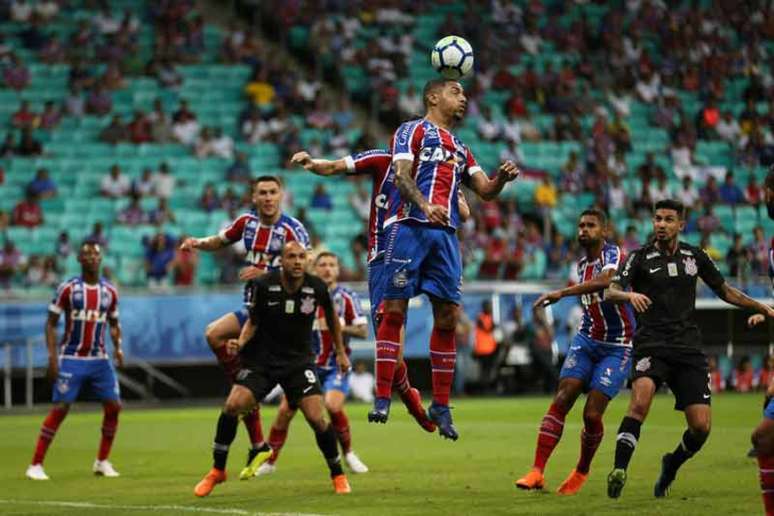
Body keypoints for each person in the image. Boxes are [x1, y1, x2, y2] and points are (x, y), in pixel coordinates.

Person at [368, 78, 519, 440]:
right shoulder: (411, 131)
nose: (463, 98)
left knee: (449, 317)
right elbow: (401, 175)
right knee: (394, 310)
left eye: (465, 94)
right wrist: (424, 204)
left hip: (447, 237)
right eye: (456, 92)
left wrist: (500, 179)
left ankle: (441, 404)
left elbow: (484, 191)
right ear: (433, 97)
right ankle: (382, 396)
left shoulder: (462, 148)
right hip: (409, 228)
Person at [604, 199, 774, 499]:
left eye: (669, 219)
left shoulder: (695, 256)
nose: (661, 224)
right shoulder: (639, 257)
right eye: (657, 218)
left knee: (701, 427)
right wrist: (629, 297)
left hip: (687, 348)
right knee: (640, 402)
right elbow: (611, 290)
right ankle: (619, 469)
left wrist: (758, 304)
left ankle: (672, 463)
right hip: (651, 345)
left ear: (681, 225)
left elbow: (725, 290)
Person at [290, 148, 441, 432]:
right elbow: (334, 165)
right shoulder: (382, 160)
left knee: (404, 335)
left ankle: (394, 401)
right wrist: (312, 163)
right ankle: (413, 402)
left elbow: (462, 205)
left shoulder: (434, 171)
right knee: (392, 355)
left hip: (415, 254)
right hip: (380, 259)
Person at [193, 242, 352, 496]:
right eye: (291, 257)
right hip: (262, 362)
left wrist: (341, 353)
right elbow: (253, 321)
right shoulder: (264, 285)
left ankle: (338, 474)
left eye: (301, 257)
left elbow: (332, 319)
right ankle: (217, 471)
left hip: (299, 362)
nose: (298, 261)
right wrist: (241, 342)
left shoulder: (316, 287)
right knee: (232, 406)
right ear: (281, 261)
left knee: (316, 418)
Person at [180, 176, 310, 478]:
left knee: (308, 409)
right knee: (214, 334)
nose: (267, 198)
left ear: (281, 195)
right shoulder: (247, 224)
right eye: (262, 193)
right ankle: (247, 401)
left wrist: (265, 271)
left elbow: (307, 266)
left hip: (278, 315)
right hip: (252, 310)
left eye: (273, 192)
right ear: (254, 197)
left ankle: (252, 407)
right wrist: (196, 243)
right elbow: (220, 240)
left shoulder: (292, 229)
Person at [515, 209, 635, 494]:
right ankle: (537, 471)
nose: (583, 229)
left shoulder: (614, 255)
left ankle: (581, 471)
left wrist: (562, 293)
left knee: (592, 415)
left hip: (618, 346)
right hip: (587, 339)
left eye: (590, 225)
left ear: (604, 231)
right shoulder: (581, 265)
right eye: (581, 225)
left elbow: (607, 282)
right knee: (563, 395)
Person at [258, 251, 369, 476]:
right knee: (283, 413)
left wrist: (336, 326)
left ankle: (348, 453)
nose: (328, 269)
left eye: (332, 265)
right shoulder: (304, 294)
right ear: (314, 268)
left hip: (335, 366)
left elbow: (363, 331)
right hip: (303, 366)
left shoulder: (347, 297)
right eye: (323, 265)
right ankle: (269, 462)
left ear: (338, 270)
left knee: (333, 405)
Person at [25, 242, 123, 480]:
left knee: (114, 406)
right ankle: (35, 465)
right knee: (61, 408)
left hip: (99, 358)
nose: (91, 257)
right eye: (87, 254)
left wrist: (118, 348)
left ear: (101, 260)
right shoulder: (68, 288)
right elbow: (50, 323)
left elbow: (113, 324)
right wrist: (52, 358)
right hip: (72, 357)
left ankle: (102, 461)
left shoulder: (109, 292)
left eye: (96, 254)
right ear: (79, 259)